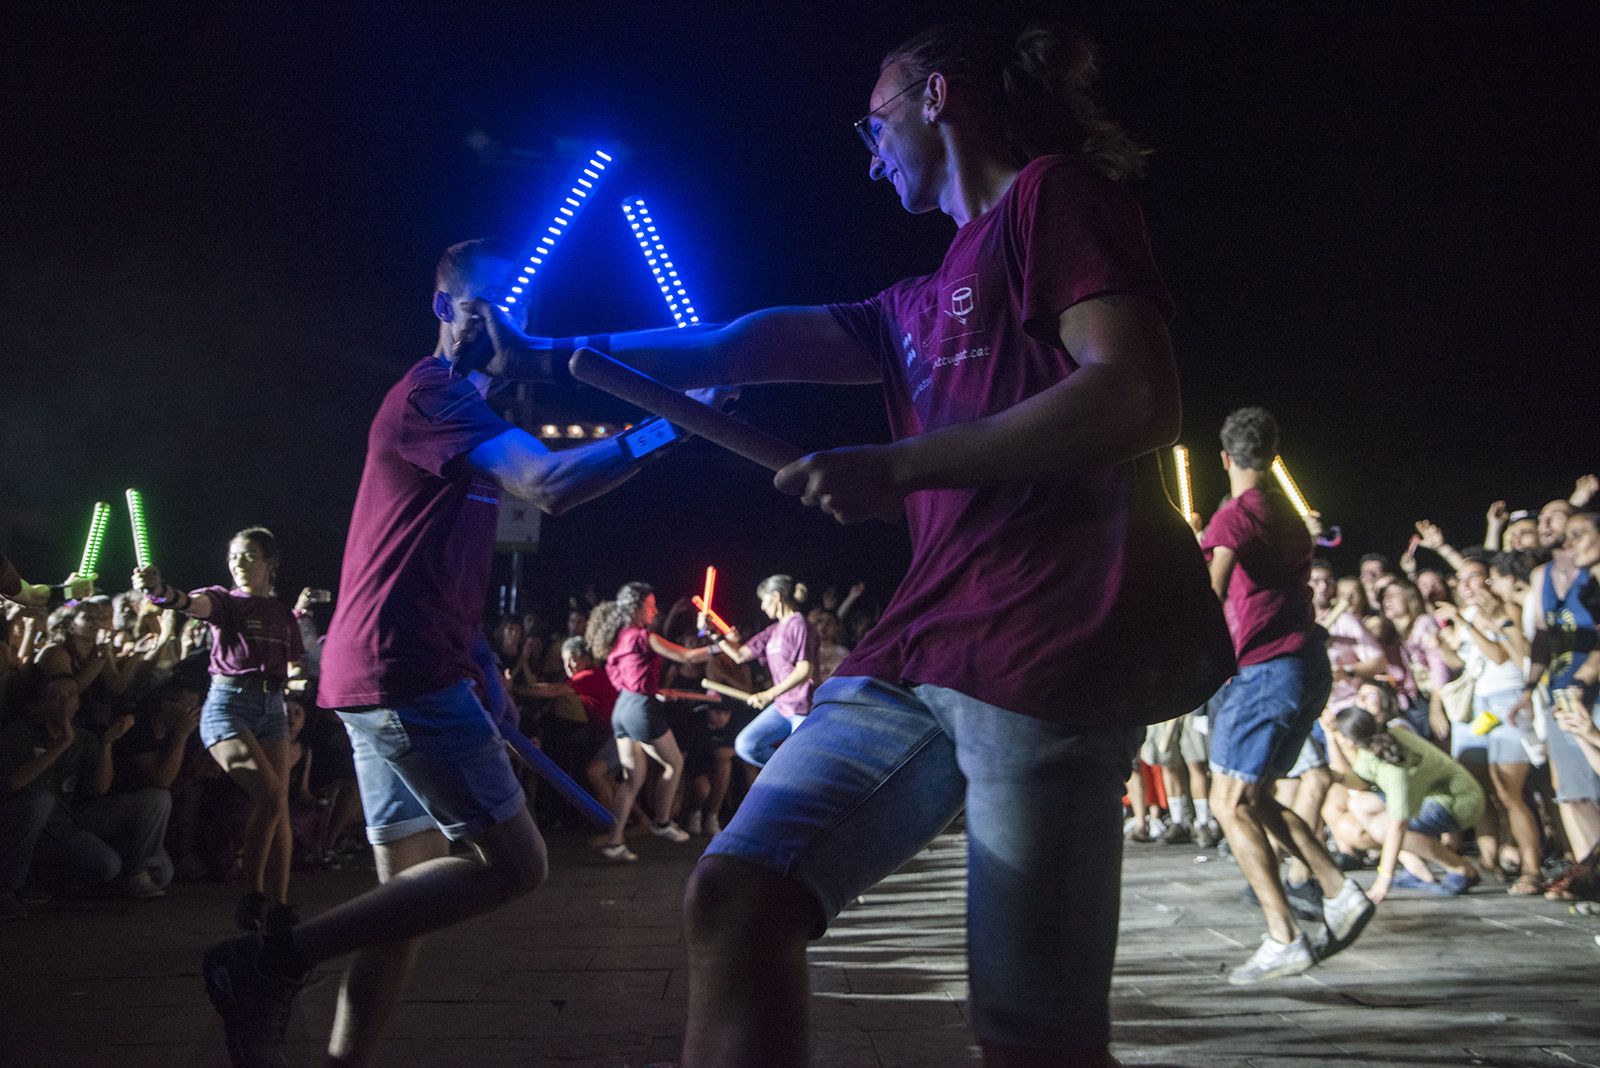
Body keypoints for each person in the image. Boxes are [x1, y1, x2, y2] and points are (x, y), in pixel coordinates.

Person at [525, 22, 1235, 1064]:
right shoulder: (911, 301)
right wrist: (549, 351)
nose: (867, 151)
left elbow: (1135, 394)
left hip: (1046, 645)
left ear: (935, 96)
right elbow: (739, 342)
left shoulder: (1055, 199)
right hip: (919, 650)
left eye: (875, 120)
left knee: (1030, 1029)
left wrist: (898, 464)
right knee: (738, 893)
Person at [199, 238, 717, 1068]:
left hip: (392, 669)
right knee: (516, 866)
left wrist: (480, 662)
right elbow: (549, 485)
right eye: (486, 300)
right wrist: (671, 427)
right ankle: (269, 961)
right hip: (403, 675)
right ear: (444, 307)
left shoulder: (465, 413)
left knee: (406, 902)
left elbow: (425, 565)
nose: (504, 318)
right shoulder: (433, 393)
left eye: (518, 305)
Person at [1203, 407, 1374, 984]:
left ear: (1224, 458)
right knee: (1256, 800)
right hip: (1303, 664)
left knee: (1229, 803)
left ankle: (1283, 936)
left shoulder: (1236, 515)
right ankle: (1338, 890)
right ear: (1271, 456)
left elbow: (1209, 594)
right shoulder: (1289, 515)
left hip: (1264, 669)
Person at [135, 527, 308, 932]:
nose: (239, 563)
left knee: (278, 807)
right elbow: (190, 604)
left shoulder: (283, 614)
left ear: (270, 564)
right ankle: (252, 897)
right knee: (270, 795)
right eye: (234, 557)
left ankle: (280, 911)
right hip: (229, 705)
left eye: (249, 556)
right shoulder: (225, 600)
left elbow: (293, 664)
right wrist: (161, 592)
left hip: (272, 707)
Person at [587, 583, 720, 861]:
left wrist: (654, 691)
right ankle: (662, 822)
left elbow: (631, 676)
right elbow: (685, 655)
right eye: (650, 605)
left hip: (623, 708)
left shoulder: (619, 637)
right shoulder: (642, 636)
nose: (655, 610)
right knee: (674, 763)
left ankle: (614, 841)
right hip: (641, 710)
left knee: (632, 778)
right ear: (637, 609)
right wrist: (719, 646)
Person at [1325, 706, 1484, 900]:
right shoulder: (1377, 741)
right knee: (1360, 804)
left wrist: (1383, 880)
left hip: (1457, 802)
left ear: (1349, 740)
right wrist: (1332, 746)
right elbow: (1361, 782)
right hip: (1430, 795)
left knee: (1382, 828)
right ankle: (1416, 868)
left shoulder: (1395, 768)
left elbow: (1398, 825)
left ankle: (1459, 868)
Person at [717, 575, 818, 769]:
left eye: (763, 600)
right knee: (747, 745)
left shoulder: (799, 624)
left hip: (804, 708)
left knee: (805, 760)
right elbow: (739, 655)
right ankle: (790, 773)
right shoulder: (772, 630)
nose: (762, 607)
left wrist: (768, 694)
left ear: (776, 596)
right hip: (782, 706)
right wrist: (715, 635)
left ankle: (799, 776)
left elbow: (804, 670)